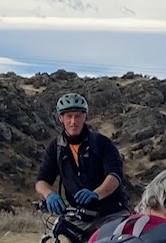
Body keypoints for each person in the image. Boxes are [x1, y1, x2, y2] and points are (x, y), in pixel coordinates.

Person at [36, 92, 128, 223]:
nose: (73, 122)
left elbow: (115, 175)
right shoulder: (56, 147)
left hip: (111, 214)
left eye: (78, 116)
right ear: (61, 118)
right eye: (69, 116)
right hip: (80, 215)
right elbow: (41, 180)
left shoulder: (101, 142)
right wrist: (49, 194)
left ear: (85, 117)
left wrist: (97, 194)